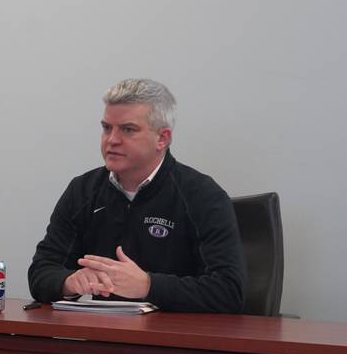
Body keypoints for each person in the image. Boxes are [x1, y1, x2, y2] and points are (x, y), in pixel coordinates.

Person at [28, 78, 245, 312]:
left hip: (172, 340)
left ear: (162, 138)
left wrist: (148, 286)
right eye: (106, 128)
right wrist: (68, 282)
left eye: (128, 130)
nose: (112, 140)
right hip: (99, 336)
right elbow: (41, 272)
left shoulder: (202, 196)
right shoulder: (83, 191)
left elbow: (229, 291)